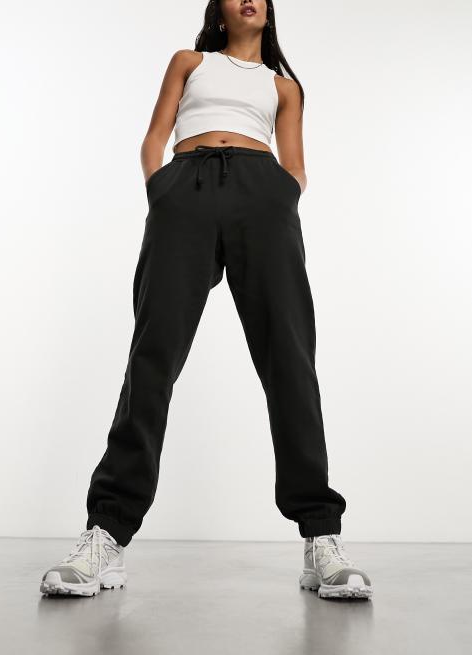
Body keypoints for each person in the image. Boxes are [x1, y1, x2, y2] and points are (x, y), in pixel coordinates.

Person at [40, 0, 373, 600]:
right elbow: (155, 135)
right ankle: (107, 534)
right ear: (218, 9)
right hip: (185, 189)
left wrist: (279, 193)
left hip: (262, 196)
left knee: (290, 360)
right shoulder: (189, 61)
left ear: (269, 11)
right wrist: (162, 188)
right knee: (153, 357)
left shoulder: (284, 87)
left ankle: (321, 536)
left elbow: (296, 165)